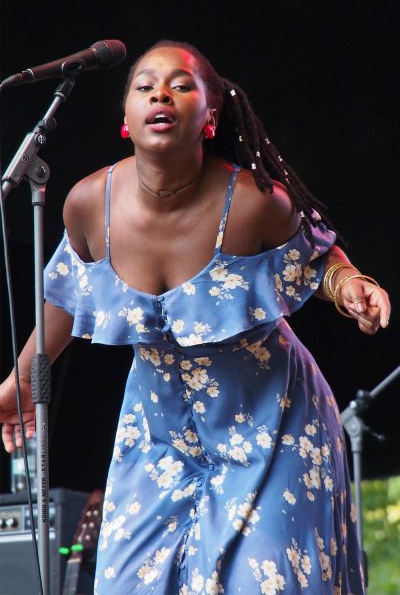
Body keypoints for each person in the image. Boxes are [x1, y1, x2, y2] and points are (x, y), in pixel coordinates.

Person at [0, 40, 390, 594]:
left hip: (271, 422)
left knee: (263, 581)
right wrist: (20, 379)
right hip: (157, 432)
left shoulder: (256, 201)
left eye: (181, 85)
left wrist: (353, 285)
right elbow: (68, 297)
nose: (161, 92)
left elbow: (318, 258)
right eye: (144, 86)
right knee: (126, 583)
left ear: (210, 118)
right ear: (126, 120)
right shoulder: (89, 204)